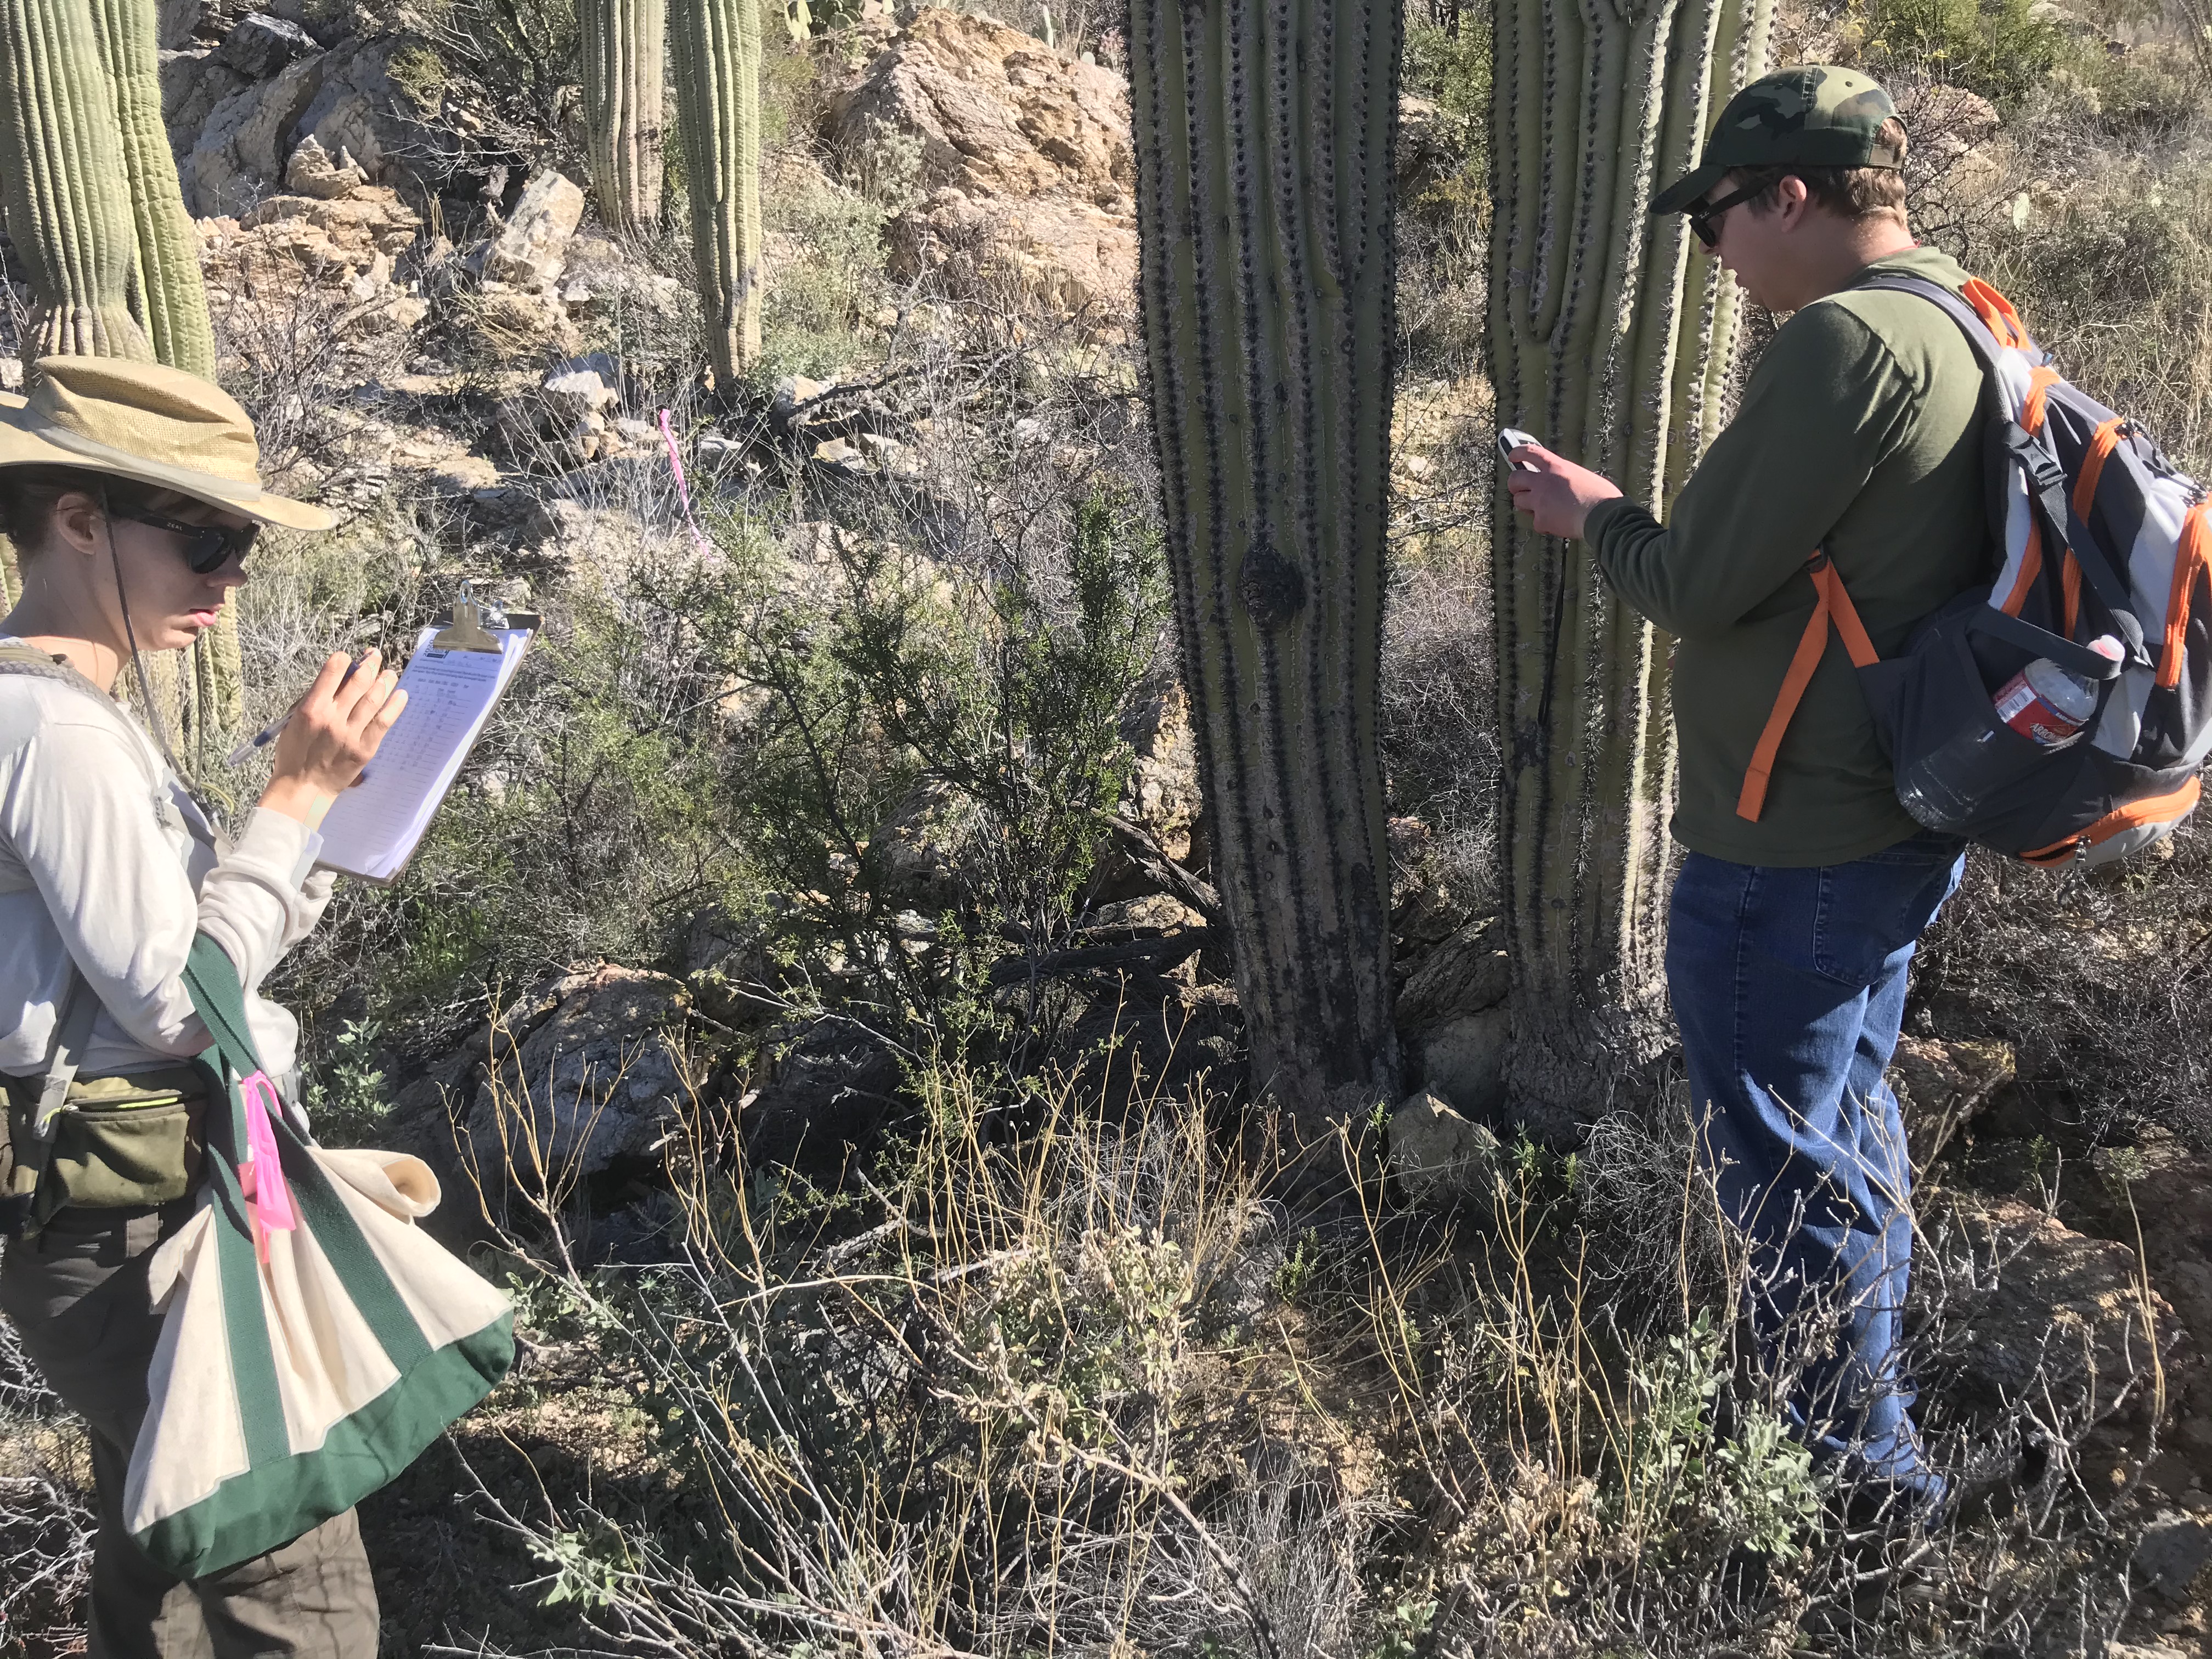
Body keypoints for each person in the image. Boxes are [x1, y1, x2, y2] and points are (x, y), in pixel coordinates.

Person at [1505, 66, 1987, 1519]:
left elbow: (1699, 579)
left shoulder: (1845, 347)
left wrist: (1594, 515)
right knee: (1843, 1122)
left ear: (1789, 196)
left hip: (1797, 842)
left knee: (1788, 1168)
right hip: (1886, 814)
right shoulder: (1960, 309)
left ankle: (1848, 1492)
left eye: (1716, 218)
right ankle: (1863, 1420)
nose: (1711, 253)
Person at [0, 356, 405, 1655]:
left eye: (242, 545)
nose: (229, 575)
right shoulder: (54, 732)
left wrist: (319, 827)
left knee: (163, 1565)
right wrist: (291, 805)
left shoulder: (70, 713)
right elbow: (183, 1003)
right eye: (204, 537)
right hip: (125, 1217)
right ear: (76, 521)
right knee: (294, 1577)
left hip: (125, 1205)